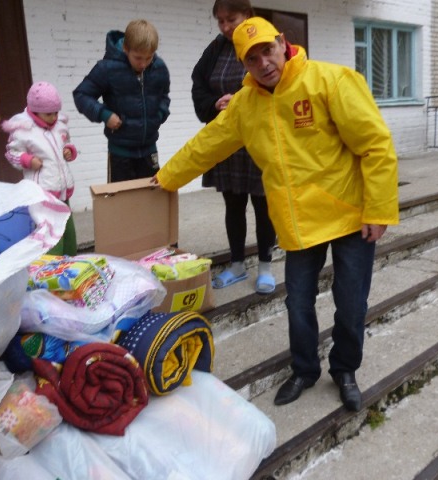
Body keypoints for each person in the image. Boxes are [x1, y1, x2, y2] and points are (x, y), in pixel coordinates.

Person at [154, 17, 399, 412]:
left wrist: (379, 208)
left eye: (267, 50)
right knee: (297, 303)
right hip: (299, 222)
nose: (263, 62)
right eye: (252, 59)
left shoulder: (331, 81)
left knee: (351, 302)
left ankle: (345, 370)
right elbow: (206, 145)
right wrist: (164, 179)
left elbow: (375, 144)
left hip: (351, 214)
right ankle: (304, 370)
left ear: (283, 43)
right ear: (243, 66)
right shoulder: (244, 107)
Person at [192, 0, 277, 294]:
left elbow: (279, 79)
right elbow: (198, 83)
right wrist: (213, 104)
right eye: (221, 21)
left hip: (260, 138)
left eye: (232, 19)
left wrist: (242, 102)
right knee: (233, 204)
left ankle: (266, 266)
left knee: (264, 204)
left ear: (248, 15)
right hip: (228, 140)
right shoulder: (215, 49)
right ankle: (238, 265)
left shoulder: (265, 42)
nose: (226, 27)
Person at [73, 19, 170, 182]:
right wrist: (104, 114)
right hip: (120, 154)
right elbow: (82, 95)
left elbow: (164, 96)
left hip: (149, 151)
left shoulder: (159, 68)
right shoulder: (107, 68)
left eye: (149, 57)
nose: (144, 64)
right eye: (138, 58)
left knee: (150, 200)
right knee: (122, 203)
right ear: (126, 49)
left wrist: (159, 115)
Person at [2, 82, 78, 256]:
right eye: (49, 114)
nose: (54, 118)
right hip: (43, 192)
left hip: (62, 189)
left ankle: (71, 260)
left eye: (56, 113)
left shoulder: (60, 125)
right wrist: (27, 160)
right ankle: (51, 265)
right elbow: (12, 153)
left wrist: (69, 150)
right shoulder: (23, 129)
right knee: (50, 233)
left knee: (67, 229)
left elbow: (66, 143)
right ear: (35, 112)